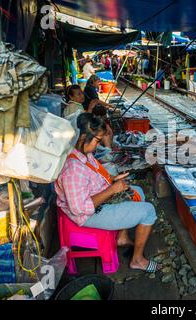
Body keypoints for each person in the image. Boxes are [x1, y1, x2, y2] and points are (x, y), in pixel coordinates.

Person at [55, 113, 161, 273]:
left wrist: (113, 179)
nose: (98, 145)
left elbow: (93, 179)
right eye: (97, 140)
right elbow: (80, 209)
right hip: (88, 215)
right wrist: (112, 189)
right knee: (149, 211)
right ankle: (137, 260)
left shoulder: (84, 154)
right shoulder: (73, 169)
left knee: (137, 192)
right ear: (83, 137)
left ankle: (122, 237)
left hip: (96, 201)